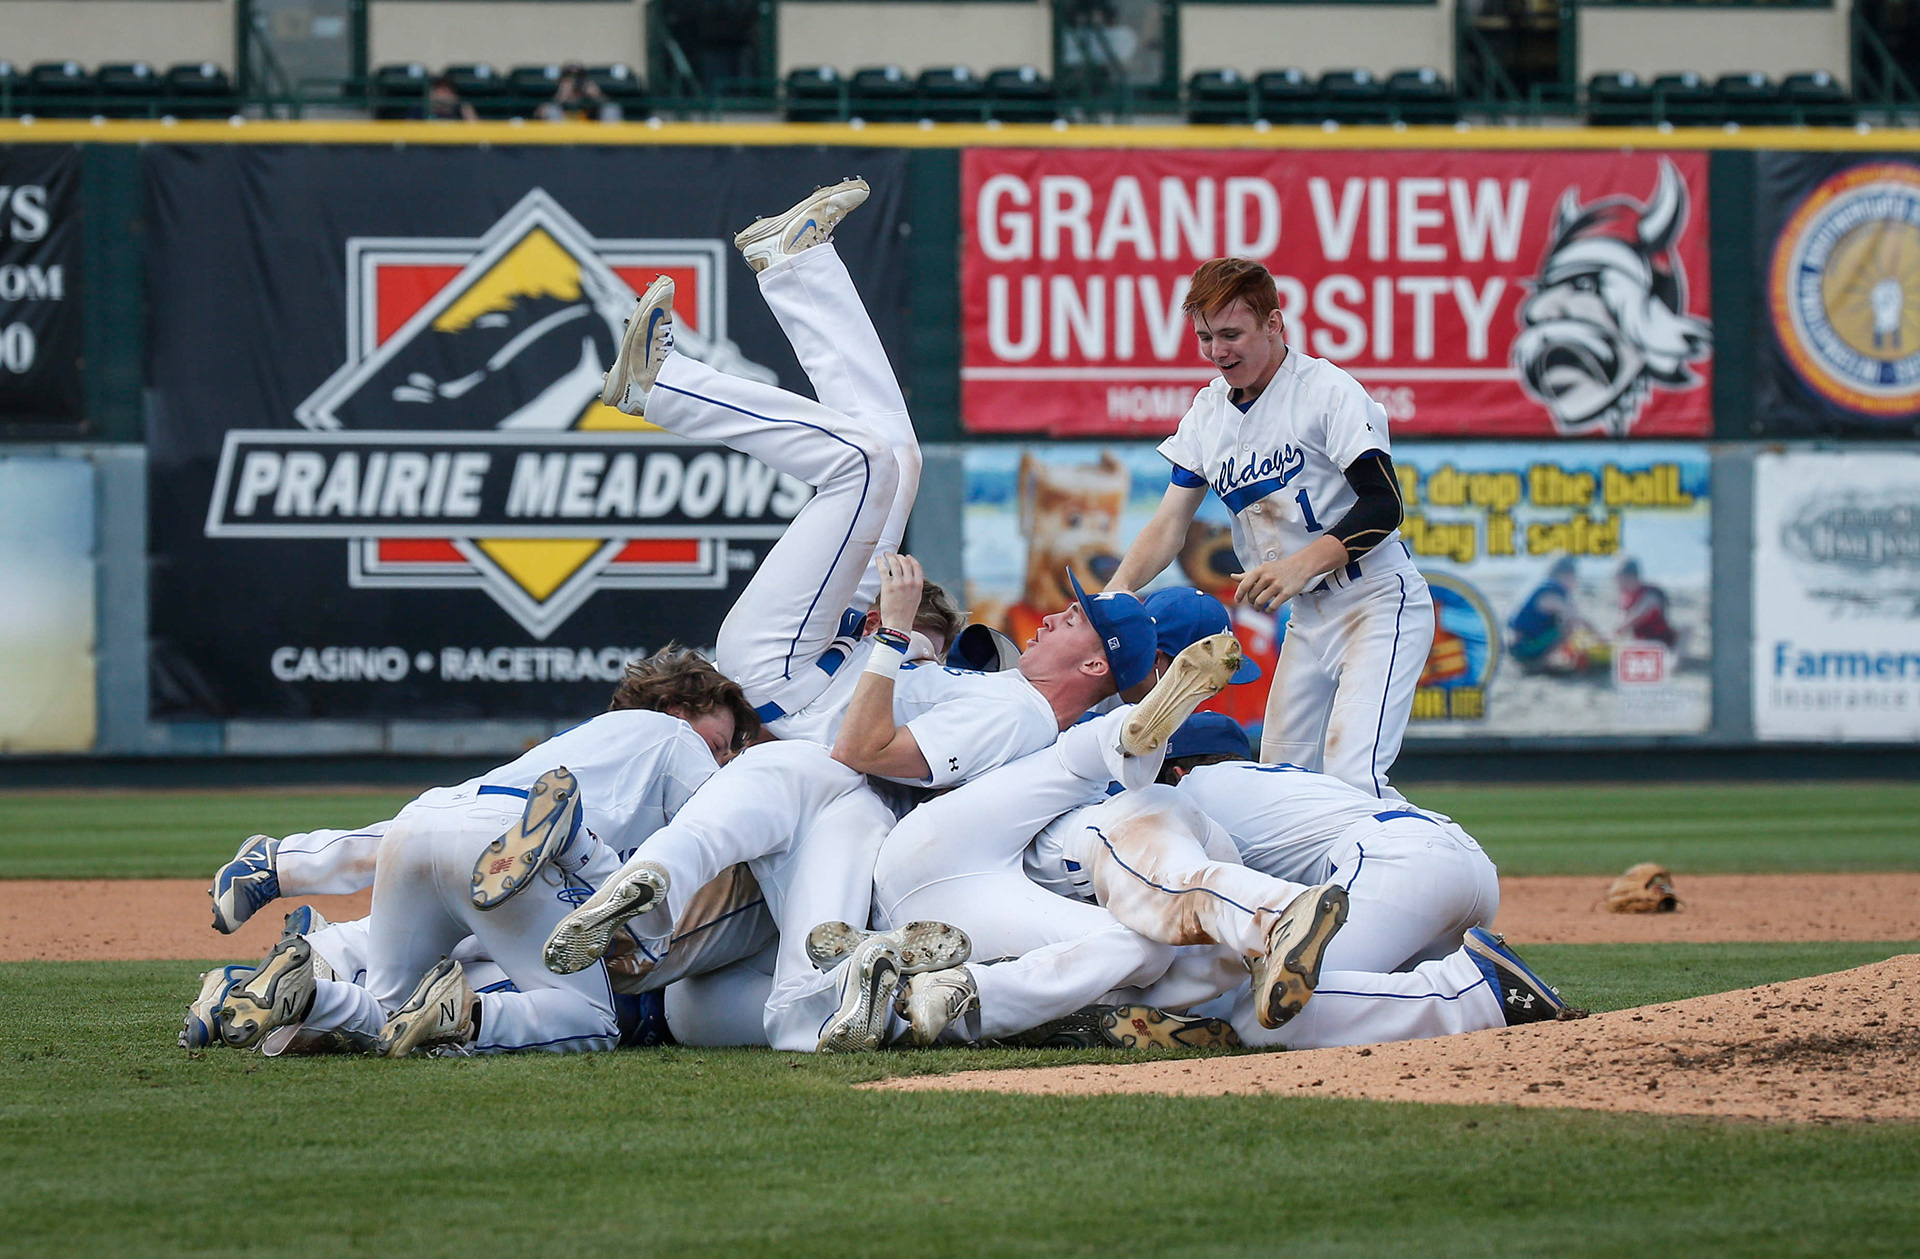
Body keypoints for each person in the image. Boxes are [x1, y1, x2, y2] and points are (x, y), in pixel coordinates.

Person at [544, 179, 1161, 1052]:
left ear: (1095, 668)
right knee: (895, 458)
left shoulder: (1022, 715)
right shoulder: (1005, 695)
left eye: (1079, 621)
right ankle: (796, 262)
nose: (1059, 613)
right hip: (820, 669)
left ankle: (666, 385)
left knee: (863, 464)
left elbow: (864, 749)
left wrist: (900, 637)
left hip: (791, 682)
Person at [1105, 257, 1434, 800]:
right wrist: (1112, 596)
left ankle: (1436, 872)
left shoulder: (1326, 391)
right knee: (1282, 789)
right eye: (1206, 337)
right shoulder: (1209, 411)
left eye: (1232, 333)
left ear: (1274, 325)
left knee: (1353, 776)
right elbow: (1169, 524)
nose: (1217, 351)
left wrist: (1299, 565)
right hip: (1309, 615)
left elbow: (1384, 504)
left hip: (1376, 598)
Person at [1615, 558, 1679, 646]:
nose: (1622, 587)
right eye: (1619, 583)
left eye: (1625, 581)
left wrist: (1621, 627)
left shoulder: (1650, 594)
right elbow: (1622, 622)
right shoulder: (1625, 598)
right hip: (1641, 642)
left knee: (1686, 629)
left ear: (1635, 578)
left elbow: (1638, 614)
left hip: (1661, 641)